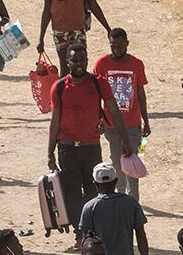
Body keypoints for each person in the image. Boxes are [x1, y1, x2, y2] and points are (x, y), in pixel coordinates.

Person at [46, 41, 128, 236]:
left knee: (93, 190)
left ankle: (93, 230)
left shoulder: (98, 83)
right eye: (74, 60)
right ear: (67, 62)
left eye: (82, 60)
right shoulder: (59, 87)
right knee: (72, 192)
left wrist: (125, 139)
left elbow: (114, 111)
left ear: (87, 60)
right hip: (67, 148)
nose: (79, 64)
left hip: (91, 146)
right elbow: (55, 122)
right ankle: (80, 232)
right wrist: (50, 152)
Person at [92, 28, 149, 201]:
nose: (116, 50)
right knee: (117, 161)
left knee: (132, 160)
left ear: (127, 44)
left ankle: (133, 200)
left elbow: (140, 93)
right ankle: (120, 197)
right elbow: (95, 94)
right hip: (111, 124)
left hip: (132, 123)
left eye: (120, 46)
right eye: (113, 47)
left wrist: (146, 121)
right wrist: (99, 118)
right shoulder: (101, 64)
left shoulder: (136, 64)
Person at [78, 163, 148, 255]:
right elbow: (141, 235)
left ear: (95, 184)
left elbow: (86, 243)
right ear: (115, 181)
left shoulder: (89, 207)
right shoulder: (131, 202)